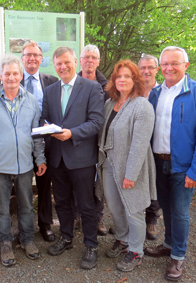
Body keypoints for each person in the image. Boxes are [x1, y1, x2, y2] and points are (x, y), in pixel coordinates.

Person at [145, 46, 196, 281]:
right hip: (159, 162)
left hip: (184, 166)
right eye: (164, 64)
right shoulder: (155, 93)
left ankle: (178, 256)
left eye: (174, 63)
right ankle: (168, 244)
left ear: (186, 65)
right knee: (165, 207)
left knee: (180, 211)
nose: (169, 68)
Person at [0, 54, 46, 267]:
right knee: (1, 207)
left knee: (26, 205)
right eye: (7, 74)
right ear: (1, 75)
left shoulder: (31, 101)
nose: (12, 77)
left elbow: (37, 134)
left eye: (15, 73)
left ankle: (27, 239)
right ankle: (5, 243)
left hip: (25, 165)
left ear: (21, 74)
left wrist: (39, 158)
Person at [42, 47, 104, 270]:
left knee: (87, 205)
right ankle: (66, 237)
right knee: (61, 202)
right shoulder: (49, 91)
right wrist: (46, 128)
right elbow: (45, 119)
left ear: (75, 62)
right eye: (58, 64)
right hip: (57, 159)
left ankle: (90, 245)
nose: (63, 67)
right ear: (54, 65)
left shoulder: (92, 88)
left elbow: (97, 122)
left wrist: (72, 133)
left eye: (67, 62)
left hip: (82, 158)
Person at [96, 59, 156, 272]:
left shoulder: (142, 106)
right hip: (109, 165)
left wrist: (130, 175)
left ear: (135, 80)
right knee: (114, 207)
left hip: (132, 168)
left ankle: (136, 251)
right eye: (118, 76)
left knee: (134, 209)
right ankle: (123, 239)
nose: (122, 80)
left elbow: (140, 145)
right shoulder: (109, 104)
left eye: (127, 76)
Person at [20, 41, 59, 242]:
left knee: (45, 184)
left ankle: (45, 224)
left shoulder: (52, 81)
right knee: (22, 185)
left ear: (41, 58)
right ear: (22, 58)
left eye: (36, 55)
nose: (32, 58)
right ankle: (24, 226)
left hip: (47, 141)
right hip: (21, 142)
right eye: (28, 55)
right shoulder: (13, 81)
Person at [78, 44, 109, 236]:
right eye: (86, 57)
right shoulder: (70, 83)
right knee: (76, 179)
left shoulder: (108, 86)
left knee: (99, 181)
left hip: (99, 141)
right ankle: (75, 216)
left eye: (93, 58)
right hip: (76, 140)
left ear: (98, 62)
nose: (89, 60)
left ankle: (98, 217)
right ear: (80, 61)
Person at [138, 54, 161, 240]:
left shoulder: (162, 92)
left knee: (154, 183)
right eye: (142, 68)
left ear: (157, 70)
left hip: (156, 145)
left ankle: (152, 219)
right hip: (137, 146)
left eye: (150, 68)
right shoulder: (133, 91)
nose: (146, 71)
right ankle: (133, 220)